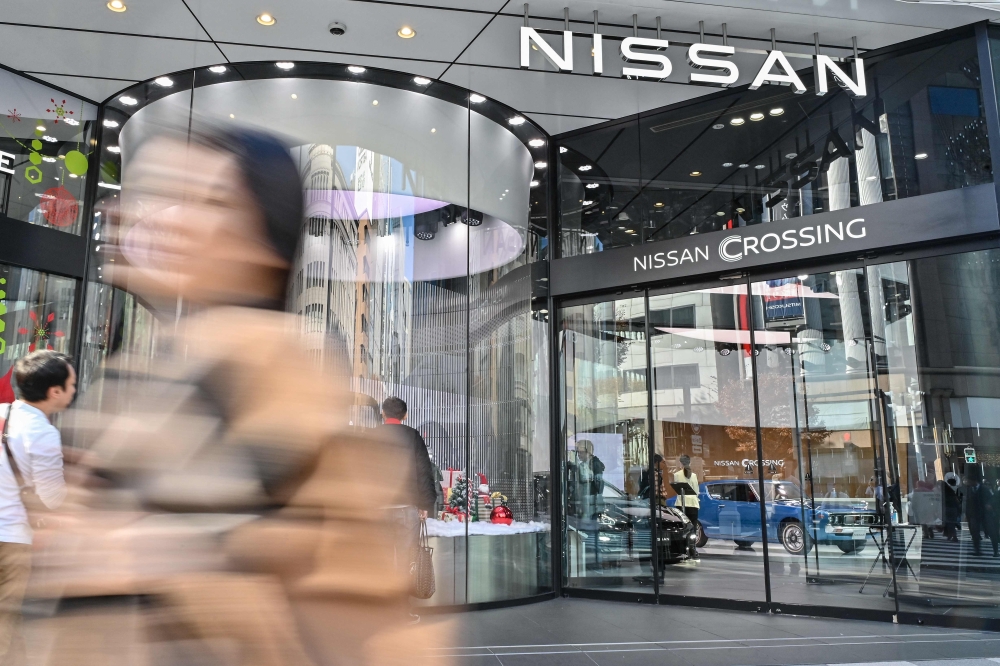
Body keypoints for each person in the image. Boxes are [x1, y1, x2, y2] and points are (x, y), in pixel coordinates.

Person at [55, 125, 450, 665]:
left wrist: (142, 555)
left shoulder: (272, 369)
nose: (158, 218)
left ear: (263, 238)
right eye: (154, 194)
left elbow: (343, 591)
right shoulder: (155, 365)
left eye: (203, 200)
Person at [0, 350, 74, 665]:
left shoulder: (2, 413)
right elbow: (53, 497)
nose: (73, 390)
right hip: (11, 540)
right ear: (54, 392)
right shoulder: (43, 432)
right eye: (71, 385)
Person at [375, 397, 437, 519]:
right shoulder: (413, 436)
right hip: (407, 508)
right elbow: (423, 471)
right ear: (405, 416)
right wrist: (425, 504)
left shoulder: (371, 436)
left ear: (383, 413)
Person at [965, 466, 997, 557]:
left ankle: (996, 551)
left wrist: (989, 504)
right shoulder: (969, 490)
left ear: (974, 481)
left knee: (991, 532)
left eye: (969, 481)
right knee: (975, 533)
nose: (968, 482)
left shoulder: (984, 489)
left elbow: (992, 498)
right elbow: (968, 502)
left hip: (986, 514)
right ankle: (977, 550)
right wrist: (967, 514)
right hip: (975, 514)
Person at [674, 454, 700, 558]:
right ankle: (692, 549)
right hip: (693, 504)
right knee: (692, 528)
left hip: (681, 504)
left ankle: (682, 548)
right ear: (690, 463)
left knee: (682, 527)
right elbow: (696, 491)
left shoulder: (676, 475)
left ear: (680, 463)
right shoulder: (693, 475)